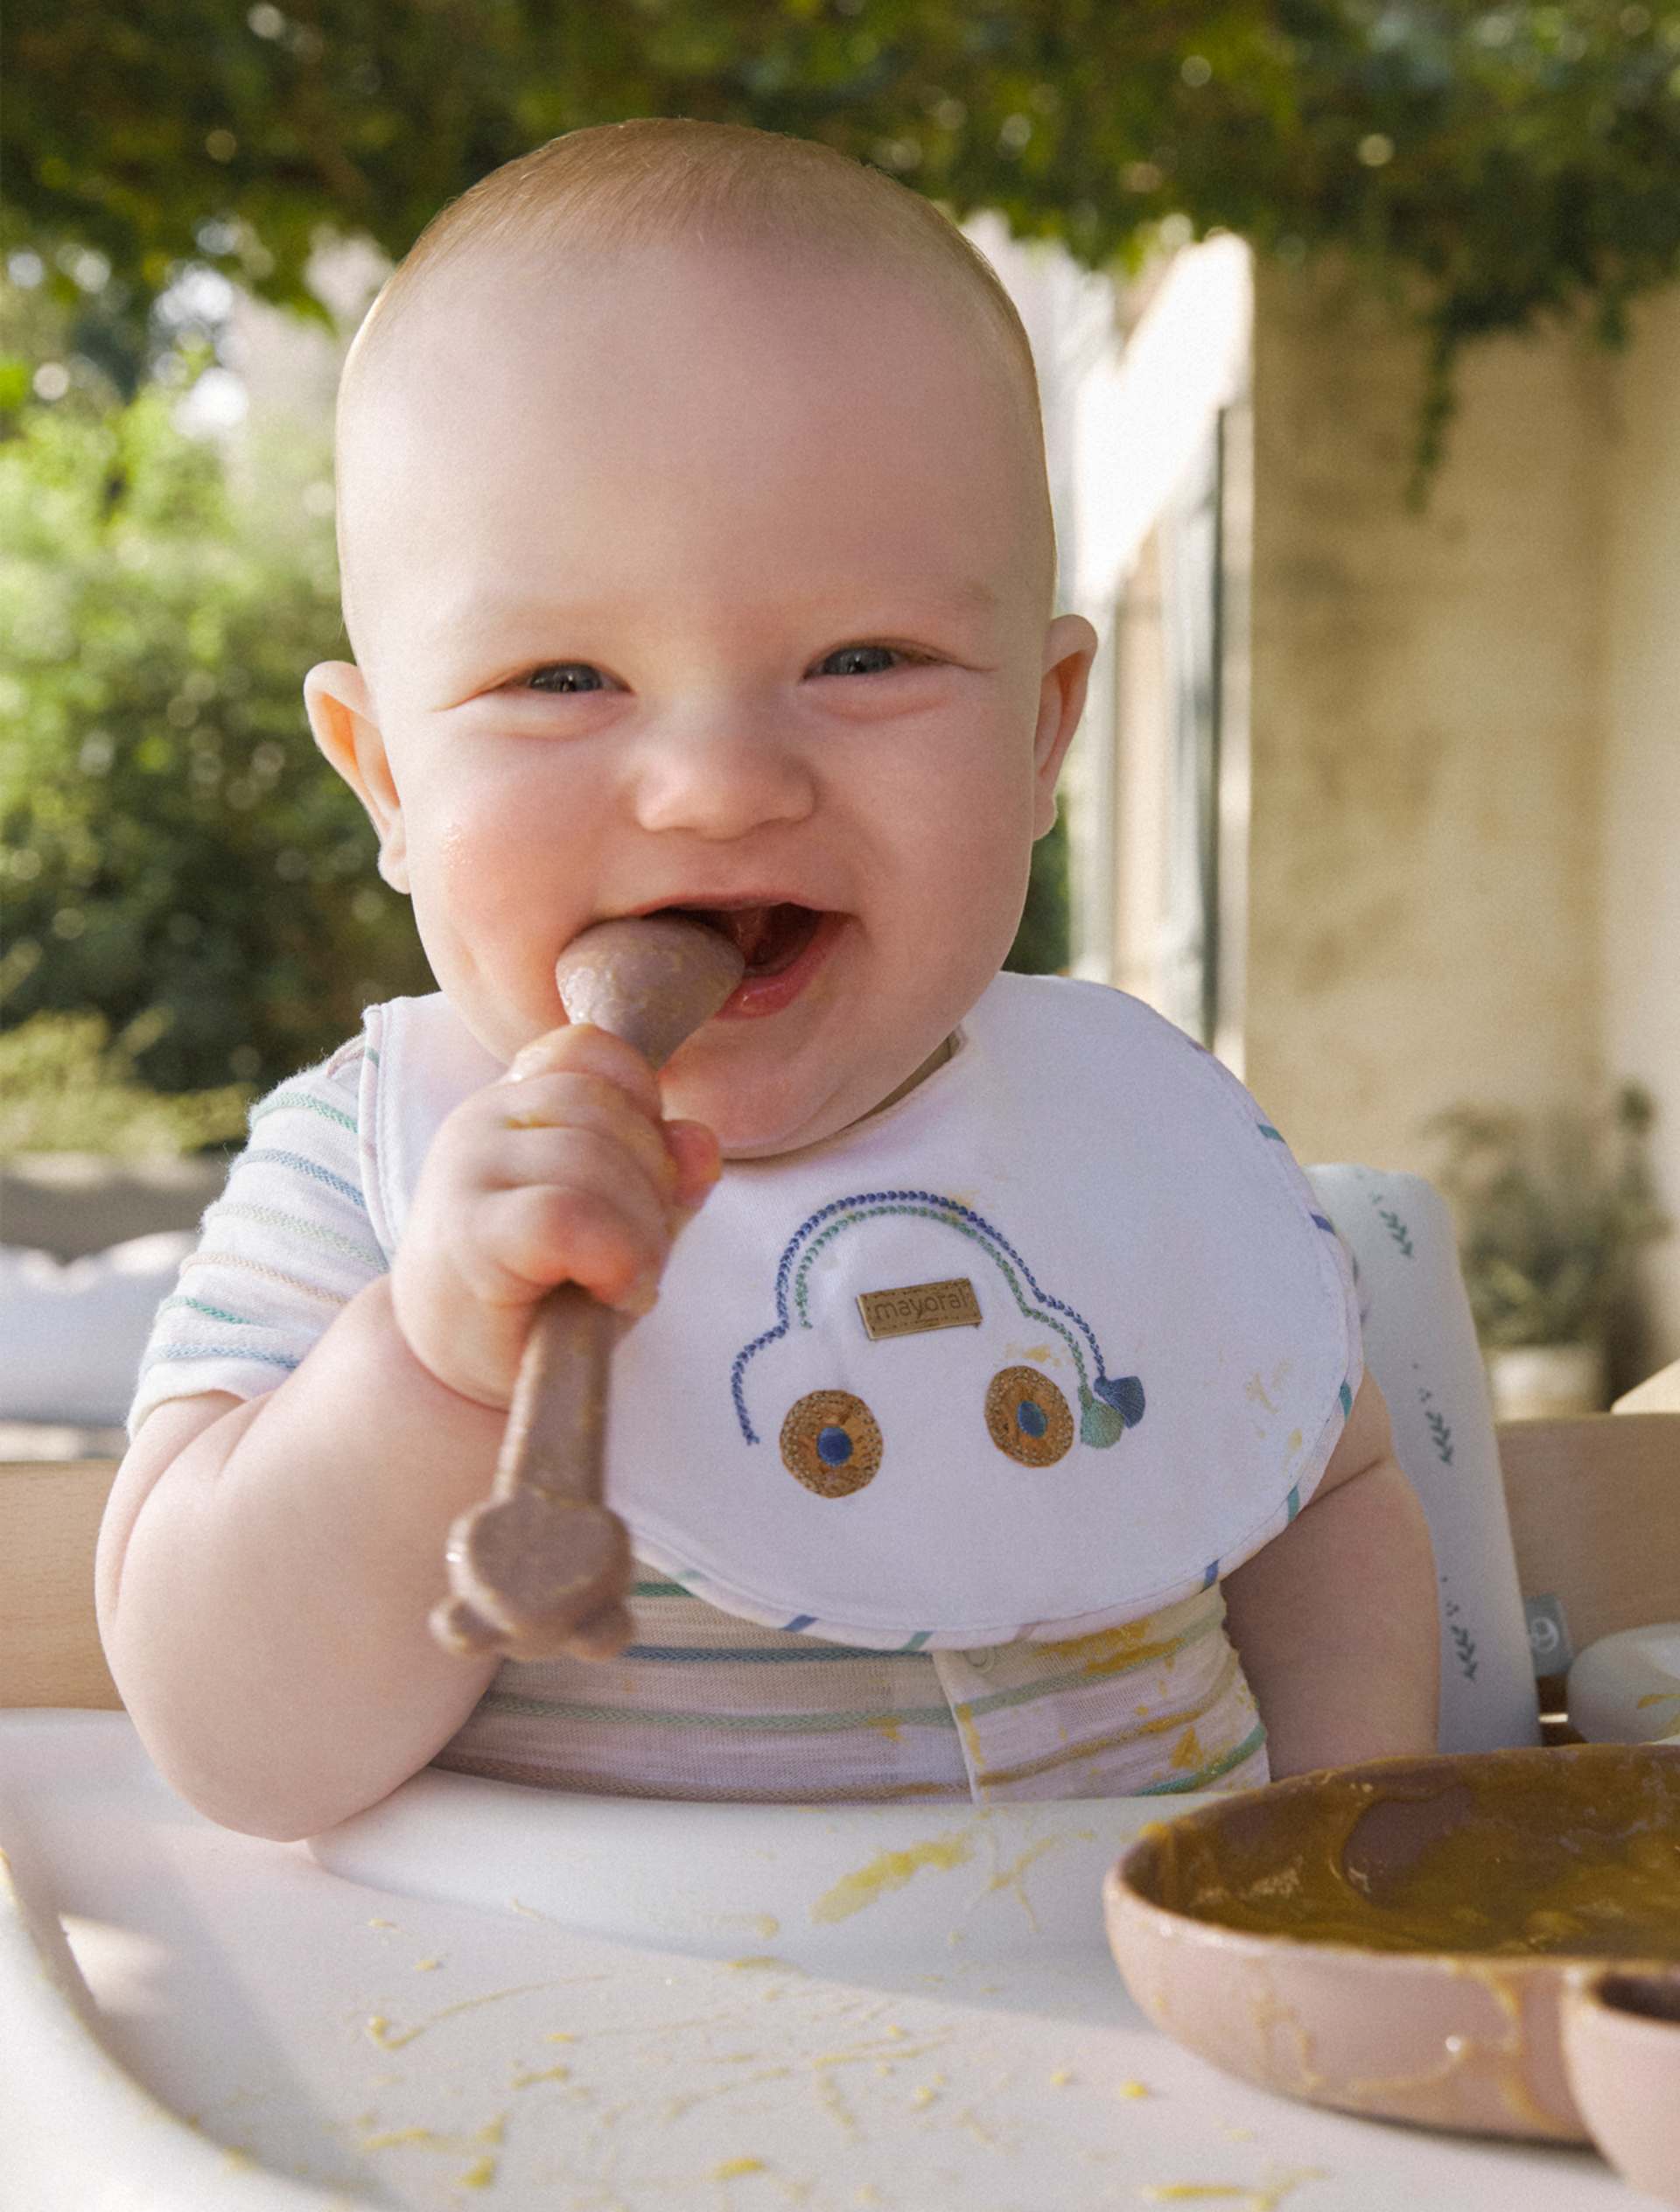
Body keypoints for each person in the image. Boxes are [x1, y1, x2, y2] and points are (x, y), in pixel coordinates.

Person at [96, 121, 1439, 1843]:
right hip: (568, 2068)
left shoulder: (1131, 1135)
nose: (721, 783)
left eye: (863, 658)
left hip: (1144, 2049)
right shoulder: (372, 1178)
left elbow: (1322, 1492)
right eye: (563, 675)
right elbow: (234, 1749)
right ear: (386, 785)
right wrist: (437, 1370)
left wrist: (1351, 1849)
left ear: (1039, 739)